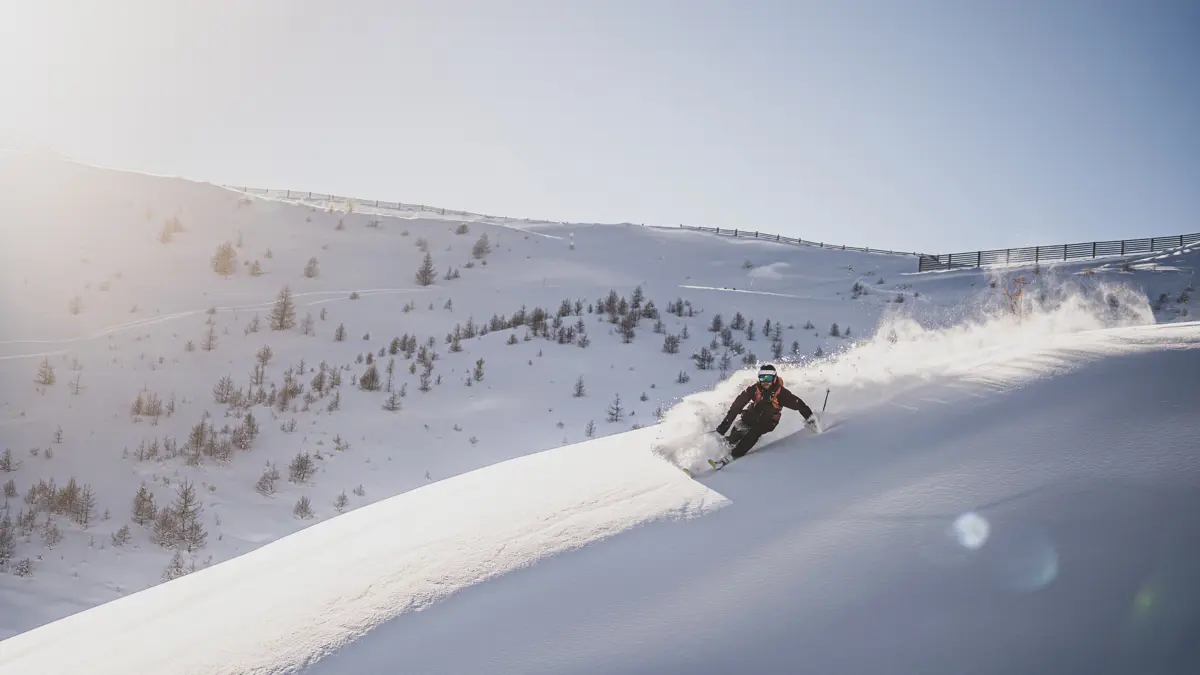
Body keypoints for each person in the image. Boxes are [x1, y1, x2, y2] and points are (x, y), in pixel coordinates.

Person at [711, 364, 822, 467]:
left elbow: (799, 405)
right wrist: (722, 428)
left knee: (755, 430)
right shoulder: (753, 389)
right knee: (739, 427)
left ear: (774, 378)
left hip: (769, 420)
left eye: (768, 378)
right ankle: (728, 443)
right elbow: (736, 407)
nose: (765, 382)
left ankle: (734, 454)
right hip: (752, 415)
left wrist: (811, 419)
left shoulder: (781, 393)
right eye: (762, 378)